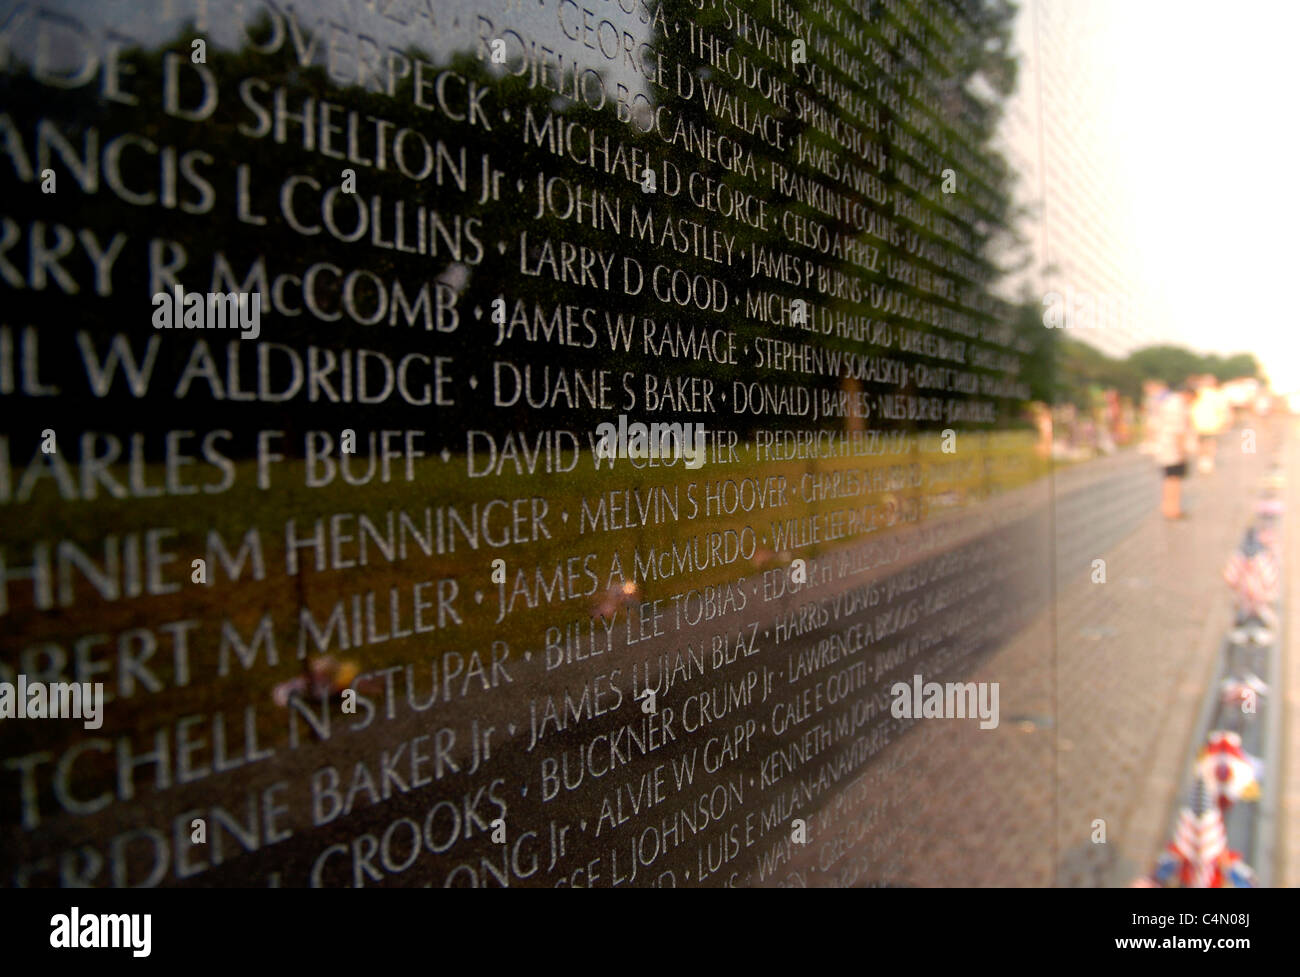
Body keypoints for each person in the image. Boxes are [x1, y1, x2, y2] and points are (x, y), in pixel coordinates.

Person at [1154, 381, 1194, 519]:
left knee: (1168, 478)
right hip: (1173, 448)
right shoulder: (1179, 406)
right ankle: (1173, 509)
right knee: (1175, 479)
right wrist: (1182, 451)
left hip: (1163, 445)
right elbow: (1179, 431)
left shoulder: (1167, 402)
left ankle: (1167, 507)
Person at [1191, 376, 1229, 473]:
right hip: (1207, 423)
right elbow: (1224, 410)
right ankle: (1206, 461)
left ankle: (1204, 460)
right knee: (1209, 443)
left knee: (1205, 443)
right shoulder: (1216, 394)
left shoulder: (1199, 392)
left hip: (1203, 423)